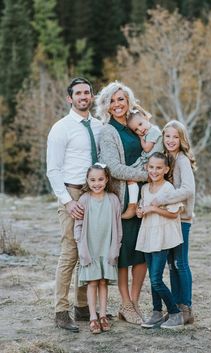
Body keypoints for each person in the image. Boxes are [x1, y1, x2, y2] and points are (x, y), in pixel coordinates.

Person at [46, 77, 103, 332]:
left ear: (91, 96)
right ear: (70, 98)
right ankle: (61, 311)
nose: (83, 97)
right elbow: (53, 170)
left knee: (88, 252)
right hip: (71, 192)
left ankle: (83, 308)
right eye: (78, 93)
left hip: (94, 194)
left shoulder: (100, 127)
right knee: (70, 252)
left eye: (87, 92)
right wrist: (68, 202)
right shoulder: (61, 128)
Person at [95, 81, 148, 325]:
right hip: (124, 199)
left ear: (128, 102)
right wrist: (148, 175)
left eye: (121, 99)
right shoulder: (108, 131)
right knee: (125, 253)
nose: (117, 104)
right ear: (106, 106)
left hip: (145, 198)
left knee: (143, 252)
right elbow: (114, 169)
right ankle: (125, 303)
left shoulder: (135, 126)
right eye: (112, 101)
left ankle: (134, 303)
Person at [151, 120, 196, 324]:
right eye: (167, 136)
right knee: (171, 264)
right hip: (171, 219)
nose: (170, 140)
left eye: (175, 137)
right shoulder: (168, 158)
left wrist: (162, 199)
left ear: (182, 139)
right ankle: (176, 306)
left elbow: (188, 189)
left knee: (180, 262)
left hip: (182, 219)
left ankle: (186, 307)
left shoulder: (182, 160)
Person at [136, 152, 184, 329]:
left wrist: (154, 209)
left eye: (158, 168)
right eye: (151, 167)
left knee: (156, 279)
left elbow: (173, 213)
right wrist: (140, 211)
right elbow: (143, 207)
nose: (154, 171)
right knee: (152, 277)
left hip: (161, 238)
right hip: (148, 235)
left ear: (166, 169)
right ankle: (156, 313)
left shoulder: (168, 188)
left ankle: (175, 313)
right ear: (147, 168)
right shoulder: (144, 188)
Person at [74, 163, 122, 334]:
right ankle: (92, 316)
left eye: (100, 179)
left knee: (103, 282)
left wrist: (115, 248)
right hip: (90, 248)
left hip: (106, 248)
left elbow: (118, 227)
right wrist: (81, 247)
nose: (97, 183)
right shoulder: (84, 199)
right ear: (87, 180)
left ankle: (103, 315)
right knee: (92, 282)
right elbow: (78, 226)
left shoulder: (113, 199)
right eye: (92, 180)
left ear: (107, 179)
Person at [121, 107, 163, 219]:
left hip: (152, 162)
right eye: (136, 130)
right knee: (130, 175)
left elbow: (147, 148)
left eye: (140, 124)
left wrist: (140, 138)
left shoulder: (154, 131)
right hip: (146, 161)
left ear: (145, 117)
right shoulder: (148, 132)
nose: (140, 129)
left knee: (131, 177)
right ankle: (136, 206)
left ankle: (132, 206)